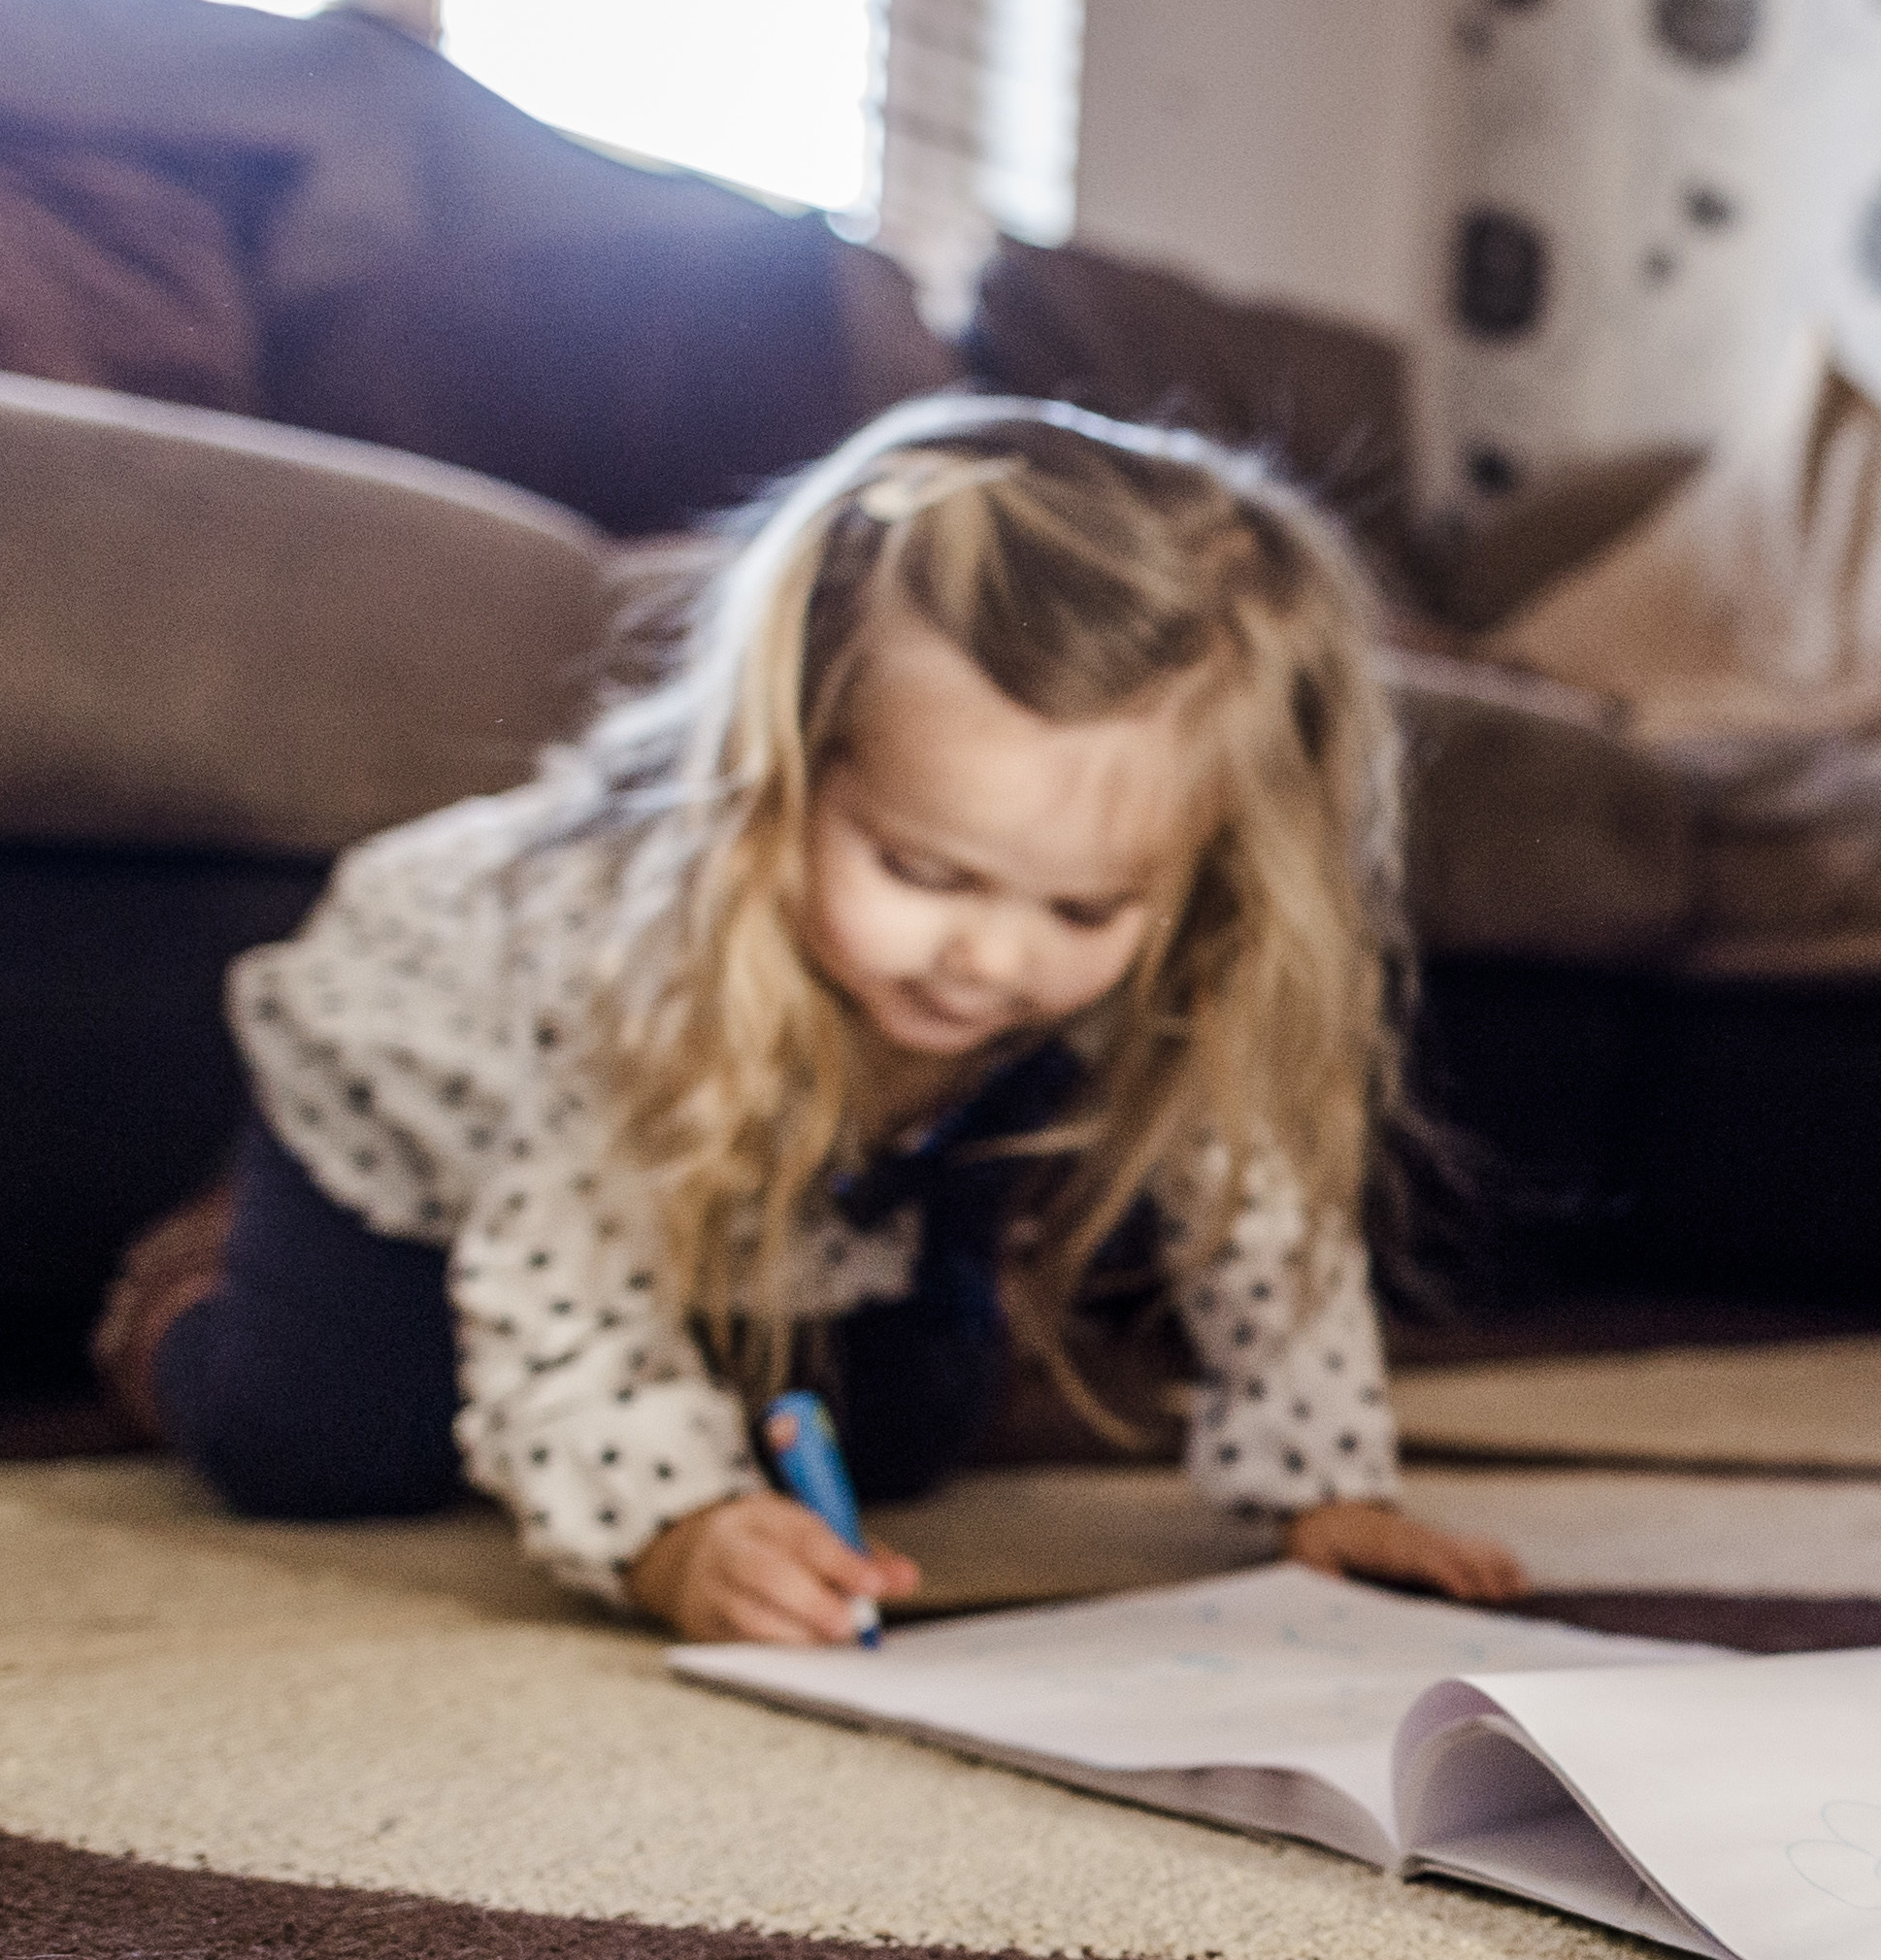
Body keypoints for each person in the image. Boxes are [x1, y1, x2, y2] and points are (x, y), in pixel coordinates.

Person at [101, 396, 1522, 1641]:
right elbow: (571, 1279)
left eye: (1081, 912)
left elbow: (1255, 1187)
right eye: (921, 870)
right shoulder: (644, 943)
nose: (987, 956)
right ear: (787, 765)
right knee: (328, 1443)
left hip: (820, 1135)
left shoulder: (1144, 937)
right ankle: (191, 1273)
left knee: (899, 1442)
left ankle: (791, 1304)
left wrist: (1330, 1487)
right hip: (447, 1128)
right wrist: (672, 1539)